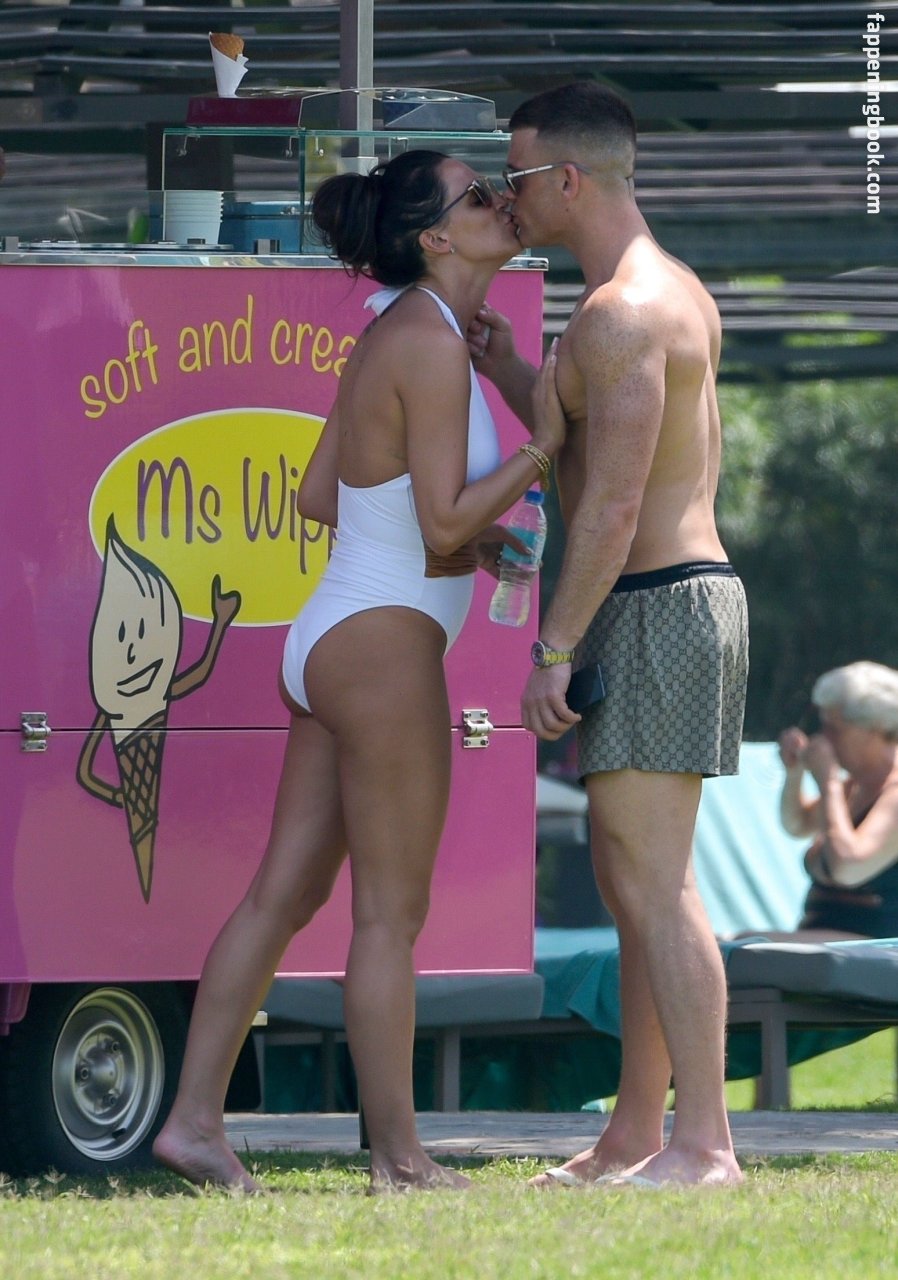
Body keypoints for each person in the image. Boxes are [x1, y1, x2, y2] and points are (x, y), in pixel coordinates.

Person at [153, 149, 565, 1193]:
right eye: (481, 194)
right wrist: (542, 446)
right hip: (382, 645)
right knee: (390, 914)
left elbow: (320, 495)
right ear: (435, 235)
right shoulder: (427, 344)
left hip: (336, 631)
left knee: (283, 894)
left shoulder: (403, 331)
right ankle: (399, 1158)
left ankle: (194, 1123)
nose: (502, 201)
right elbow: (441, 520)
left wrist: (469, 537)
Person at [469, 82, 748, 1187]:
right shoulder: (660, 291)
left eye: (516, 179)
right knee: (633, 880)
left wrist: (551, 650)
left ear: (569, 180)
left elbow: (617, 503)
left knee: (655, 881)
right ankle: (635, 1132)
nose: (507, 200)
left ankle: (707, 1143)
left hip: (657, 600)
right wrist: (511, 371)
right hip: (664, 598)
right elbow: (596, 444)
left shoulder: (620, 312)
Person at [776, 661, 898, 940]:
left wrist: (828, 781)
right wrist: (794, 774)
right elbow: (797, 824)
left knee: (733, 949)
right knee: (731, 946)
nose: (824, 738)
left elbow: (847, 867)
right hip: (830, 946)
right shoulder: (856, 784)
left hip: (875, 950)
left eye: (835, 729)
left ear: (875, 729)